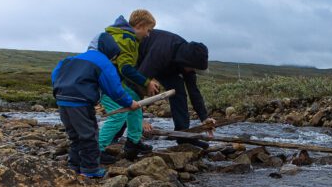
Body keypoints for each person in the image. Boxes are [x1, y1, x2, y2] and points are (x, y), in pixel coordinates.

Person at [51, 32, 140, 177]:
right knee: (89, 135)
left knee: (75, 136)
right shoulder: (102, 62)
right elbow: (114, 88)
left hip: (62, 100)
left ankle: (74, 166)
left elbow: (55, 74)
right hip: (80, 103)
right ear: (109, 50)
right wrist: (129, 102)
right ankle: (90, 169)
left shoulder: (71, 59)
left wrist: (59, 91)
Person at [96, 9, 160, 161]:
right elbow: (125, 68)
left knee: (134, 102)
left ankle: (133, 142)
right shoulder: (127, 39)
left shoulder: (122, 36)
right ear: (139, 25)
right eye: (148, 30)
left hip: (111, 81)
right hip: (104, 83)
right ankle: (96, 151)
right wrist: (147, 82)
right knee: (118, 115)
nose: (148, 35)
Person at [137, 29, 214, 148]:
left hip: (168, 66)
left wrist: (204, 118)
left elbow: (194, 92)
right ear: (187, 62)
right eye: (193, 68)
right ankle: (121, 139)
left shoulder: (189, 60)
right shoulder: (162, 51)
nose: (193, 71)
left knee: (178, 92)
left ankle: (183, 135)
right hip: (141, 58)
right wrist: (140, 119)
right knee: (133, 90)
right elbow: (136, 84)